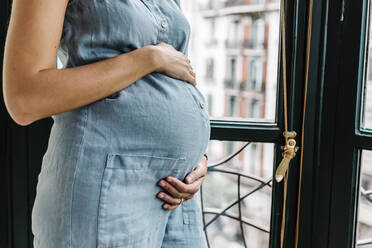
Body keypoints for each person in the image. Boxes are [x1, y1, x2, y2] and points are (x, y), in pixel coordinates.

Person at [3, 0, 211, 247]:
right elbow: (25, 97)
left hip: (177, 193)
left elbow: (177, 72)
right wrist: (149, 58)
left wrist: (197, 158)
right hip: (106, 185)